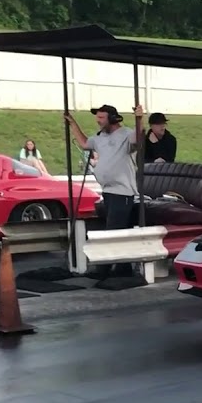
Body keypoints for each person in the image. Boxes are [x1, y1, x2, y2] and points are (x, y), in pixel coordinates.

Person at [64, 103, 144, 276]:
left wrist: (139, 119)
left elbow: (138, 139)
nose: (98, 121)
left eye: (101, 118)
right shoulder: (99, 137)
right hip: (107, 191)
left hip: (123, 192)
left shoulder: (126, 135)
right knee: (116, 230)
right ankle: (122, 268)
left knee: (113, 231)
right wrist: (72, 123)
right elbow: (85, 143)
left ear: (113, 119)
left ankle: (105, 268)